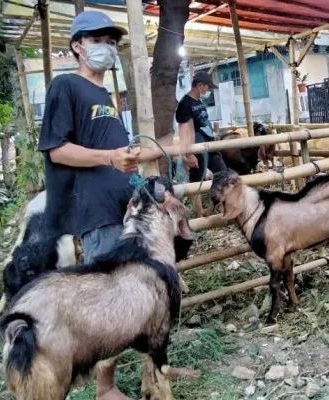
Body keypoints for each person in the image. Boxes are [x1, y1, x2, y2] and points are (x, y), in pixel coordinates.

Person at [37, 10, 188, 400]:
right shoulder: (65, 87)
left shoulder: (105, 96)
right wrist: (108, 159)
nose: (106, 47)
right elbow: (56, 151)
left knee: (140, 298)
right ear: (77, 46)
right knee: (115, 303)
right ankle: (105, 387)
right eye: (96, 40)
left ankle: (150, 376)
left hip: (125, 210)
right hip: (95, 210)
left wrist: (134, 172)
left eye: (110, 41)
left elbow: (114, 154)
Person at [175, 71, 227, 217]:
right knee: (196, 181)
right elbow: (183, 130)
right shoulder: (185, 103)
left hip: (209, 144)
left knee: (223, 174)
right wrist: (188, 153)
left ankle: (212, 207)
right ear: (199, 86)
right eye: (206, 87)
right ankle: (200, 213)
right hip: (196, 146)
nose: (207, 90)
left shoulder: (198, 102)